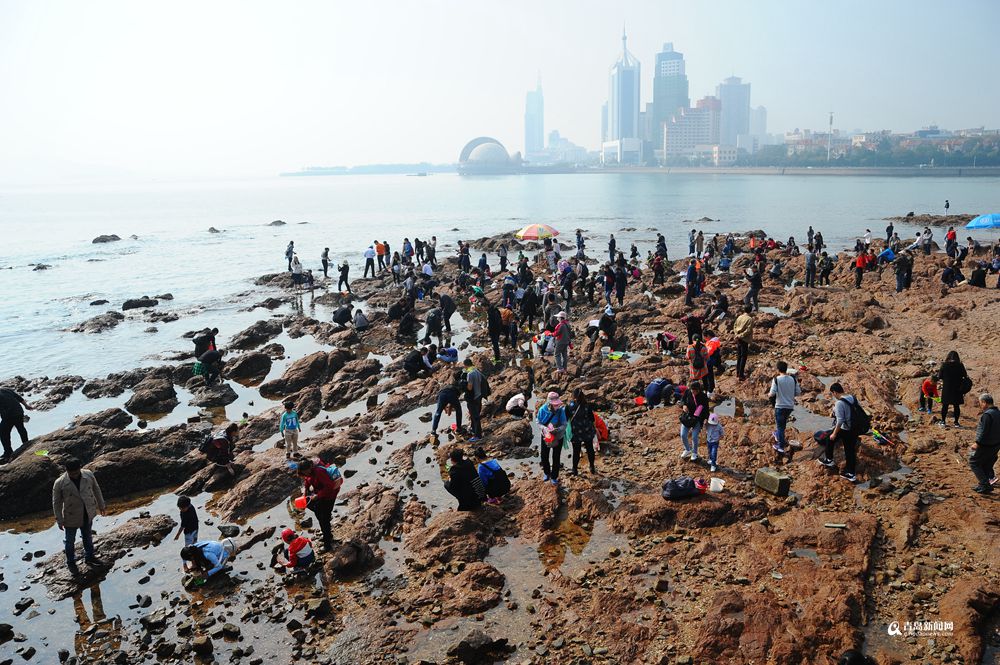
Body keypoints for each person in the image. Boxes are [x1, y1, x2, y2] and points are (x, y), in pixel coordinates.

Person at [52, 458, 107, 575]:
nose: (75, 475)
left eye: (77, 472)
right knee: (69, 541)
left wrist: (101, 505)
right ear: (66, 470)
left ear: (80, 468)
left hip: (87, 511)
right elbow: (56, 503)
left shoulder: (88, 474)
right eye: (72, 473)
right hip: (71, 516)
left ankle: (90, 557)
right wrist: (59, 520)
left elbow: (96, 489)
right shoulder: (60, 483)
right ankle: (71, 562)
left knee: (87, 536)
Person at [296, 458, 341, 550]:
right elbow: (307, 480)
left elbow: (329, 486)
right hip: (321, 494)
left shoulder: (319, 471)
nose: (305, 473)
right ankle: (327, 534)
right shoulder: (309, 472)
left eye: (306, 471)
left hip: (329, 495)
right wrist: (305, 492)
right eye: (303, 472)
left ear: (310, 467)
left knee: (324, 519)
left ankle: (327, 544)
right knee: (320, 514)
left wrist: (317, 496)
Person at [818, 382, 859, 482]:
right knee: (850, 451)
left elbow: (840, 420)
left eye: (833, 394)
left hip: (846, 428)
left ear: (835, 392)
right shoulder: (852, 397)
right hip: (855, 427)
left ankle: (829, 460)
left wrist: (834, 433)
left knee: (829, 438)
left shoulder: (839, 403)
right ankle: (851, 473)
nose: (833, 396)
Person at [769, 361, 802, 458]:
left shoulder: (776, 379)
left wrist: (769, 396)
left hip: (780, 406)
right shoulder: (793, 379)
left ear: (778, 369)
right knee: (782, 423)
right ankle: (778, 434)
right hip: (789, 406)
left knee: (780, 426)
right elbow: (798, 392)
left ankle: (780, 446)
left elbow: (772, 393)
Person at [970, 393, 1000, 494]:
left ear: (984, 402)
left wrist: (977, 443)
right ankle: (985, 483)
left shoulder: (987, 415)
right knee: (986, 464)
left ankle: (984, 484)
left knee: (974, 462)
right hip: (995, 444)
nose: (980, 405)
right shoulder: (998, 413)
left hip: (986, 445)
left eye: (980, 403)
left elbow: (984, 431)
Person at [537, 392, 567, 484]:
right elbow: (538, 422)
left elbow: (564, 424)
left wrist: (557, 429)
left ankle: (554, 476)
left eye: (558, 404)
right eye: (555, 404)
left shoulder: (560, 411)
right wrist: (544, 428)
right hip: (546, 436)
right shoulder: (542, 409)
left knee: (556, 457)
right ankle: (546, 473)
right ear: (549, 403)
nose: (557, 406)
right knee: (544, 456)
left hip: (558, 436)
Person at [567, 389, 598, 475]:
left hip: (576, 432)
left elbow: (566, 419)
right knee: (590, 449)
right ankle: (592, 467)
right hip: (587, 431)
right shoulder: (587, 405)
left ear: (574, 397)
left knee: (576, 451)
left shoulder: (570, 406)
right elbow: (592, 418)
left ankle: (574, 469)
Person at [938, 350, 969, 428]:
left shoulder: (944, 365)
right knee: (956, 406)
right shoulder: (960, 365)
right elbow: (965, 375)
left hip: (947, 388)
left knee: (945, 406)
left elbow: (940, 376)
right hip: (957, 388)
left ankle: (943, 421)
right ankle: (956, 423)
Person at [680, 381, 709, 461]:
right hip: (688, 417)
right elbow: (682, 400)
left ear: (699, 390)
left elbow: (706, 408)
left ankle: (694, 453)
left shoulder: (703, 396)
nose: (693, 392)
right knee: (683, 434)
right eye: (692, 390)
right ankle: (687, 449)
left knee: (694, 436)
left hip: (698, 418)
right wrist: (684, 405)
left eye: (695, 391)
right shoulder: (688, 392)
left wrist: (706, 418)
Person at [0, 387, 31, 463]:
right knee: (21, 428)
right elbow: (19, 398)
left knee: (3, 433)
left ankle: (8, 452)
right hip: (19, 411)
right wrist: (26, 406)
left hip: (9, 415)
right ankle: (26, 444)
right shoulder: (6, 389)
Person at [431, 371, 465, 439]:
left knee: (438, 413)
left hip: (442, 394)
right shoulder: (459, 385)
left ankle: (433, 431)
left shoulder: (450, 384)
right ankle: (458, 428)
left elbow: (448, 406)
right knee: (458, 410)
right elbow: (452, 403)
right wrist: (448, 410)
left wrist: (447, 410)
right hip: (451, 394)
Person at [464, 358, 485, 442]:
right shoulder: (477, 371)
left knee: (475, 416)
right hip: (479, 395)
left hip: (473, 397)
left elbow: (470, 387)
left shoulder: (470, 374)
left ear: (465, 365)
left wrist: (463, 385)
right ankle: (473, 429)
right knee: (475, 414)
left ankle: (478, 435)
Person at [732, 305, 754, 381]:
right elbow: (748, 330)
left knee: (739, 356)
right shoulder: (750, 319)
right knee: (743, 357)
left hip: (738, 338)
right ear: (750, 311)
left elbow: (734, 326)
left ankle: (738, 373)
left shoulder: (740, 317)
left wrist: (736, 335)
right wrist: (740, 336)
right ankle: (741, 375)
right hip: (744, 339)